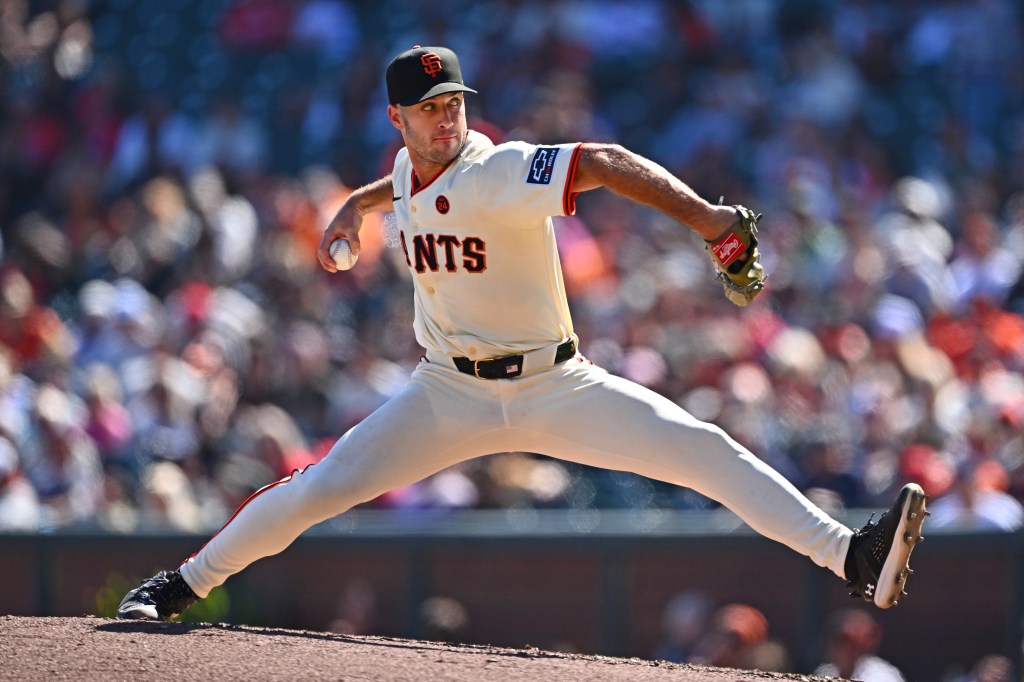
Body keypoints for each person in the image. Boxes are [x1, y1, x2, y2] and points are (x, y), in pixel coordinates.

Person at [117, 45, 928, 622]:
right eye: (430, 109)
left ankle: (851, 556)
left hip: (554, 384)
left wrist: (711, 220)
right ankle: (182, 584)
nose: (448, 119)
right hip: (447, 392)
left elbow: (605, 160)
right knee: (313, 492)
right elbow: (400, 183)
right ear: (397, 117)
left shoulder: (497, 170)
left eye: (456, 103)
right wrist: (355, 207)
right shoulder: (406, 169)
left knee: (705, 451)